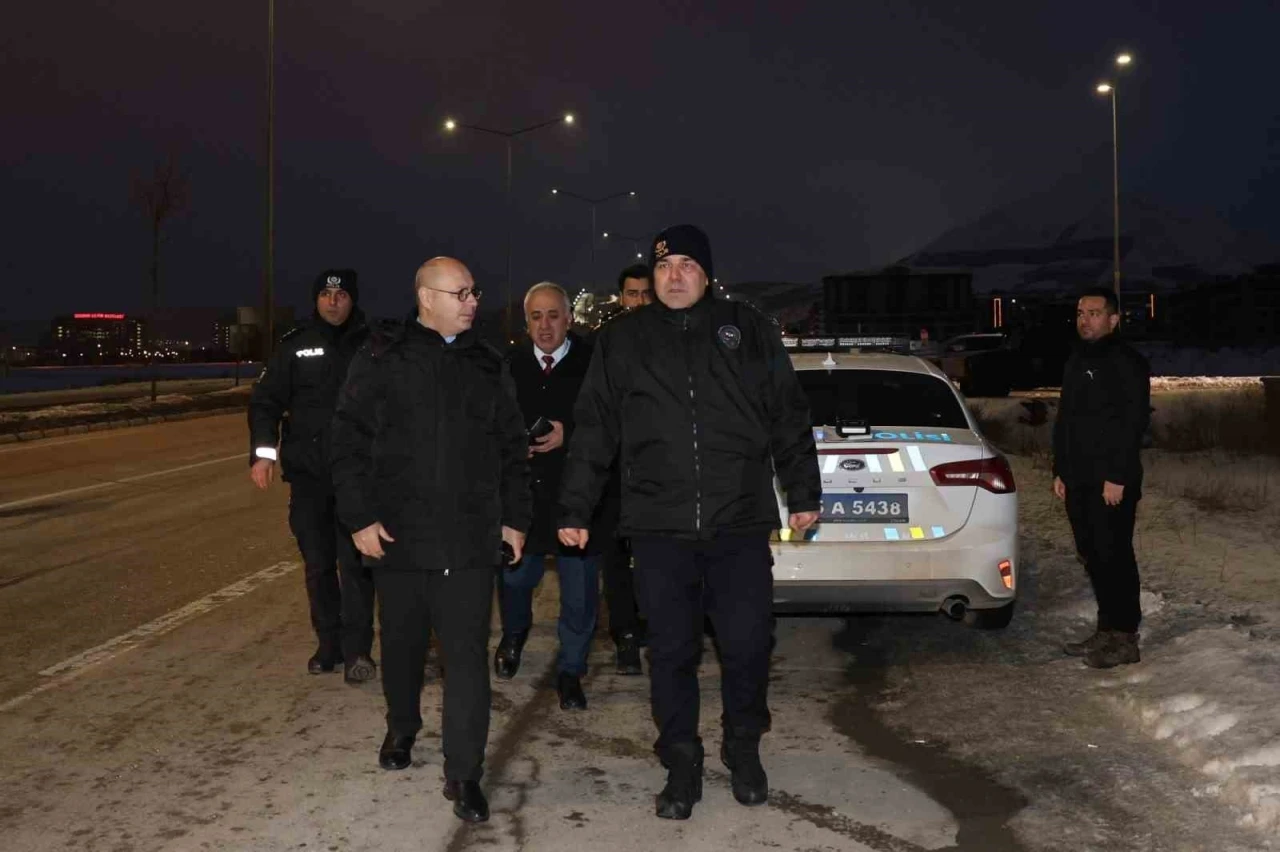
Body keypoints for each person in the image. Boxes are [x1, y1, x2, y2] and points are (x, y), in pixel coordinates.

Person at [558, 225, 821, 819]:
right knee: (672, 651)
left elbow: (786, 411)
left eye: (686, 265)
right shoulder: (623, 340)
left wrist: (803, 489)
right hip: (659, 527)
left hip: (739, 522)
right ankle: (681, 761)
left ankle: (743, 746)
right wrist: (575, 506)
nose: (674, 276)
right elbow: (595, 427)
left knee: (748, 644)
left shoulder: (747, 329)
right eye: (663, 266)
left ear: (707, 274)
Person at [330, 257, 530, 824]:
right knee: (402, 646)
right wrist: (359, 518)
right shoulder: (381, 358)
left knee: (466, 658)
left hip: (468, 540)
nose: (473, 301)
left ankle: (464, 772)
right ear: (425, 298)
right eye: (460, 293)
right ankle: (402, 725)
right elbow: (346, 442)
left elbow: (512, 448)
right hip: (399, 537)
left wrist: (515, 519)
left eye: (474, 291)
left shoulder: (487, 363)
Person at [248, 269, 377, 683]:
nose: (332, 301)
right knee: (318, 565)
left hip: (358, 478)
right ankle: (328, 645)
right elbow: (265, 402)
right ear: (316, 299)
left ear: (352, 299)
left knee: (355, 567)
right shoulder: (295, 345)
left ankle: (358, 651)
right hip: (309, 478)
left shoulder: (373, 344)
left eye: (340, 294)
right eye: (324, 294)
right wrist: (263, 454)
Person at [494, 282, 598, 710]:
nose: (545, 325)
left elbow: (613, 421)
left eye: (554, 315)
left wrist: (567, 434)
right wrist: (513, 444)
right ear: (526, 323)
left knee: (579, 591)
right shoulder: (509, 366)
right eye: (536, 317)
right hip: (524, 497)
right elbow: (492, 422)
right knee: (515, 578)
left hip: (578, 496)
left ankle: (571, 670)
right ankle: (514, 633)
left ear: (569, 319)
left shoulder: (593, 363)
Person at [1053, 286, 1151, 669]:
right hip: (1077, 478)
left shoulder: (1126, 361)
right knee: (1092, 555)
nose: (1085, 320)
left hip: (1110, 481)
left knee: (1114, 555)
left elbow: (1132, 422)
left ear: (1113, 319)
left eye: (1094, 313)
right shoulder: (1077, 359)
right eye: (1081, 313)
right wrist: (1060, 470)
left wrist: (1117, 476)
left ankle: (1125, 637)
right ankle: (1106, 629)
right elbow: (1066, 420)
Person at [595, 263, 654, 674]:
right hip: (615, 472)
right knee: (615, 561)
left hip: (658, 473)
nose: (639, 301)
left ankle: (654, 627)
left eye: (646, 293)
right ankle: (626, 638)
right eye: (632, 294)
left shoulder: (674, 339)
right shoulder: (607, 341)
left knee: (656, 560)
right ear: (622, 297)